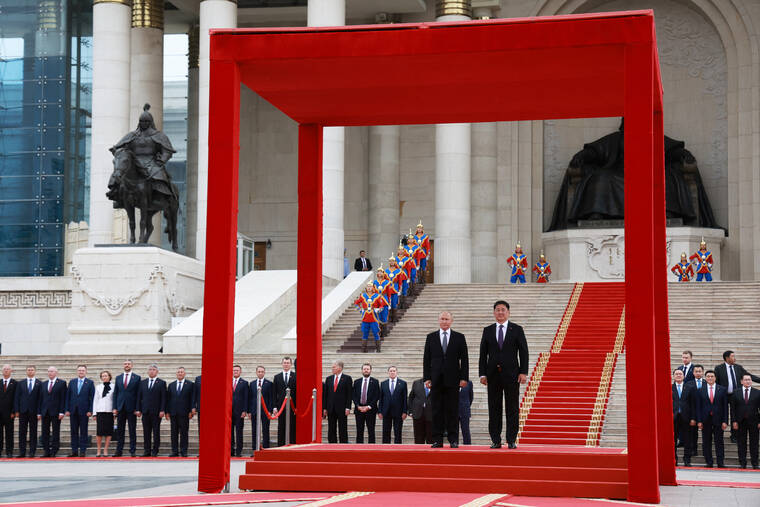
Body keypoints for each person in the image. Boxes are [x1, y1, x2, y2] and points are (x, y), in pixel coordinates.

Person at [478, 300, 529, 449]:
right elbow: (483, 354)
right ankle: (495, 439)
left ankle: (511, 439)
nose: (500, 312)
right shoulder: (487, 330)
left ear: (508, 312)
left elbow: (523, 352)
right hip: (492, 375)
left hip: (512, 375)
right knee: (494, 408)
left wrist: (523, 372)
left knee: (512, 408)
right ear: (494, 313)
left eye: (503, 310)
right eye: (498, 310)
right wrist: (482, 374)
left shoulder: (517, 329)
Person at [423, 311, 469, 448]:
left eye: (447, 319)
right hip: (436, 379)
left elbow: (464, 359)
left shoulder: (459, 337)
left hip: (453, 379)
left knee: (453, 410)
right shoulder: (431, 337)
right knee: (436, 410)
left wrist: (464, 377)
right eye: (442, 319)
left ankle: (453, 439)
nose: (444, 321)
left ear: (451, 321)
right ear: (438, 320)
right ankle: (437, 439)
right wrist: (427, 378)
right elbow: (426, 359)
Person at [715, 350, 760, 443]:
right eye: (732, 356)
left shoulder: (738, 367)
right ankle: (716, 432)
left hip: (737, 395)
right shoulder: (719, 368)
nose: (734, 358)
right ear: (727, 358)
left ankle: (734, 434)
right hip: (724, 395)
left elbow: (749, 376)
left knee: (734, 414)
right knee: (721, 413)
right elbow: (716, 382)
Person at [695, 370, 728, 468]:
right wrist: (699, 421)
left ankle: (720, 462)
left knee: (719, 442)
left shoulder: (722, 389)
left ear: (715, 378)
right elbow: (698, 407)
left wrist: (725, 421)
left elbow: (725, 407)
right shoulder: (700, 390)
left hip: (718, 420)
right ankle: (709, 462)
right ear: (705, 378)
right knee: (706, 441)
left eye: (712, 376)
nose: (710, 378)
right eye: (708, 376)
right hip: (705, 420)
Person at [135, 364, 166, 457]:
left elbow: (163, 398)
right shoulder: (142, 382)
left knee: (156, 432)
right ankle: (147, 451)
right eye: (150, 369)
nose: (151, 371)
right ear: (148, 372)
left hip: (156, 412)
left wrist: (162, 410)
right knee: (146, 432)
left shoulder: (161, 383)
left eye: (153, 369)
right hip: (145, 411)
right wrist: (138, 409)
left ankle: (155, 450)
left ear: (157, 372)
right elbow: (139, 397)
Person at [113, 359, 141, 457]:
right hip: (120, 407)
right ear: (123, 365)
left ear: (132, 365)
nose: (127, 365)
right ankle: (119, 450)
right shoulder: (118, 378)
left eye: (128, 364)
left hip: (132, 408)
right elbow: (116, 393)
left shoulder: (137, 378)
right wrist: (114, 407)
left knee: (132, 430)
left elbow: (138, 394)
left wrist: (138, 408)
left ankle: (132, 450)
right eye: (125, 364)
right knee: (120, 430)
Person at [65, 365, 95, 457]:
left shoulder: (89, 382)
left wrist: (91, 410)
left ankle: (82, 451)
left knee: (83, 431)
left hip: (84, 411)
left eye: (82, 370)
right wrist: (67, 409)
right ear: (77, 371)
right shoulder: (72, 382)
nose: (81, 372)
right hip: (73, 411)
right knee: (73, 431)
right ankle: (74, 451)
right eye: (79, 370)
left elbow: (92, 397)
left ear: (86, 371)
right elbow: (68, 397)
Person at [731, 374, 760, 469]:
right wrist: (734, 421)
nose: (748, 381)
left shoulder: (757, 393)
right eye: (746, 380)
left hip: (754, 422)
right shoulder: (735, 393)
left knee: (754, 443)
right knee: (741, 443)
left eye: (749, 380)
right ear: (741, 381)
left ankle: (755, 463)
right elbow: (733, 409)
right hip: (740, 422)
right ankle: (742, 462)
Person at [38, 366, 66, 458]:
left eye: (52, 371)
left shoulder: (62, 383)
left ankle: (54, 450)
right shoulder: (43, 384)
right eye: (49, 371)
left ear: (56, 372)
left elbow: (63, 399)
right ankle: (46, 451)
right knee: (45, 432)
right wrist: (39, 412)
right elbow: (40, 399)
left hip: (56, 412)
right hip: (45, 412)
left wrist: (62, 412)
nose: (50, 373)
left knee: (55, 432)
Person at [166, 367, 194, 457]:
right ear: (176, 374)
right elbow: (168, 399)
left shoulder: (190, 384)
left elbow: (192, 399)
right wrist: (167, 412)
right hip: (173, 413)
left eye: (181, 372)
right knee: (173, 433)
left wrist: (191, 410)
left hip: (185, 413)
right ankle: (174, 451)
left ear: (184, 373)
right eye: (178, 372)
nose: (180, 373)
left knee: (184, 433)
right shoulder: (171, 385)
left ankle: (183, 451)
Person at [322, 361, 352, 444]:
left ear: (340, 368)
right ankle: (332, 443)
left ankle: (343, 444)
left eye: (334, 367)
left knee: (342, 427)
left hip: (342, 408)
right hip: (331, 408)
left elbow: (349, 394)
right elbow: (326, 395)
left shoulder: (347, 378)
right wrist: (324, 408)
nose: (332, 369)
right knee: (331, 428)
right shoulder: (329, 379)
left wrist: (348, 407)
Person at [14, 365, 40, 458]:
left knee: (33, 432)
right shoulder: (20, 383)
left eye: (32, 370)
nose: (30, 371)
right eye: (28, 370)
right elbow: (17, 398)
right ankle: (22, 452)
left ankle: (32, 452)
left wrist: (39, 412)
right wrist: (17, 410)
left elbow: (40, 399)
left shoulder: (39, 383)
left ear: (35, 371)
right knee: (22, 432)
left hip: (34, 411)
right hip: (23, 411)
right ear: (26, 371)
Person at [354, 283, 387, 353]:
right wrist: (360, 309)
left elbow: (382, 306)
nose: (369, 288)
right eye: (368, 286)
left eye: (370, 287)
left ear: (373, 288)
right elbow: (356, 303)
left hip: (374, 318)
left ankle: (378, 349)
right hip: (365, 318)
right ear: (366, 288)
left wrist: (378, 309)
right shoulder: (363, 296)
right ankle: (364, 349)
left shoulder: (377, 296)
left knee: (376, 333)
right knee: (365, 333)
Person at [379, 366, 407, 444]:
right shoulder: (383, 383)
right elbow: (381, 398)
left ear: (396, 372)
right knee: (386, 432)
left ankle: (398, 448)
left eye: (394, 371)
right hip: (386, 411)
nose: (392, 372)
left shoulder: (403, 383)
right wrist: (380, 411)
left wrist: (405, 411)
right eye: (390, 371)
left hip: (398, 412)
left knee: (398, 432)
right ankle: (385, 448)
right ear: (388, 372)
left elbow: (405, 398)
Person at [672, 369, 695, 466]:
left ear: (684, 376)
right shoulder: (669, 387)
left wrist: (693, 418)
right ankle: (674, 460)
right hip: (673, 417)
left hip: (687, 417)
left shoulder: (690, 388)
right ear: (673, 376)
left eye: (680, 374)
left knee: (687, 439)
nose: (678, 375)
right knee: (673, 440)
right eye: (676, 374)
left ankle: (687, 459)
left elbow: (693, 404)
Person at [352, 363, 379, 444]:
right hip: (359, 410)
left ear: (370, 370)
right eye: (364, 369)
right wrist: (357, 406)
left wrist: (369, 406)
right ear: (362, 370)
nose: (366, 370)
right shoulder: (357, 382)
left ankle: (372, 448)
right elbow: (354, 395)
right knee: (359, 430)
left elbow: (377, 395)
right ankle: (359, 447)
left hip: (370, 410)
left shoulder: (375, 381)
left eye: (367, 369)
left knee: (371, 430)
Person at [248, 366, 273, 451]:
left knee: (266, 430)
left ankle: (266, 449)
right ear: (256, 372)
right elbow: (250, 398)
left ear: (264, 372)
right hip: (254, 411)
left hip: (265, 411)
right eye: (259, 371)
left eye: (262, 371)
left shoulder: (269, 384)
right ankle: (255, 449)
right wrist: (249, 411)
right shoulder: (252, 384)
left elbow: (271, 398)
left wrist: (269, 411)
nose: (260, 373)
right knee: (254, 431)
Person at [273, 357, 296, 446]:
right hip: (281, 407)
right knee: (281, 426)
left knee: (292, 426)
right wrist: (274, 406)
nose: (286, 364)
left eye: (288, 363)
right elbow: (274, 393)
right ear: (282, 364)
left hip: (292, 407)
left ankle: (292, 444)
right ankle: (281, 445)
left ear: (290, 364)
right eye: (284, 363)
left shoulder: (295, 376)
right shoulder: (277, 377)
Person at [92, 370, 115, 457]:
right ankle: (98, 450)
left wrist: (114, 413)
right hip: (100, 411)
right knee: (99, 432)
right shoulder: (98, 387)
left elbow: (114, 400)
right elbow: (95, 400)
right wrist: (94, 413)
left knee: (109, 432)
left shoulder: (114, 386)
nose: (104, 377)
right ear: (101, 378)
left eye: (106, 376)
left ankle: (105, 450)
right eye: (103, 376)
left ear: (109, 376)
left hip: (109, 411)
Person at [685, 365, 705, 455]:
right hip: (692, 411)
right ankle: (693, 449)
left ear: (703, 372)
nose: (698, 373)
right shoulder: (688, 384)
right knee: (692, 432)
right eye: (696, 371)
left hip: (704, 411)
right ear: (693, 373)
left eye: (700, 371)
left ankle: (706, 450)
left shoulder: (707, 383)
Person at [230, 365, 249, 456]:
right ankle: (231, 450)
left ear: (240, 372)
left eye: (237, 370)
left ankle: (238, 451)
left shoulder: (244, 383)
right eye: (234, 370)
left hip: (239, 411)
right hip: (229, 412)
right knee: (230, 433)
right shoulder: (228, 381)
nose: (235, 372)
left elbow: (246, 398)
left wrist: (245, 410)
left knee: (239, 432)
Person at [408, 378, 433, 444]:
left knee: (431, 439)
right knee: (418, 438)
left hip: (431, 415)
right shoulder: (416, 383)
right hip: (418, 414)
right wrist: (410, 411)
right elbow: (411, 397)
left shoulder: (436, 382)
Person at [0, 364, 17, 458]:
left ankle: (9, 451)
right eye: (4, 369)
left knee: (9, 433)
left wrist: (14, 411)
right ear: (2, 371)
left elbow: (16, 398)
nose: (6, 371)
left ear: (11, 371)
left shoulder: (15, 383)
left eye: (8, 369)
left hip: (9, 413)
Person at [458, 379, 474, 445]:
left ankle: (467, 445)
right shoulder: (452, 381)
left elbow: (471, 397)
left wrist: (465, 405)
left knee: (466, 430)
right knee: (454, 431)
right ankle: (454, 444)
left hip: (465, 410)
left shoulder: (469, 383)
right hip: (454, 410)